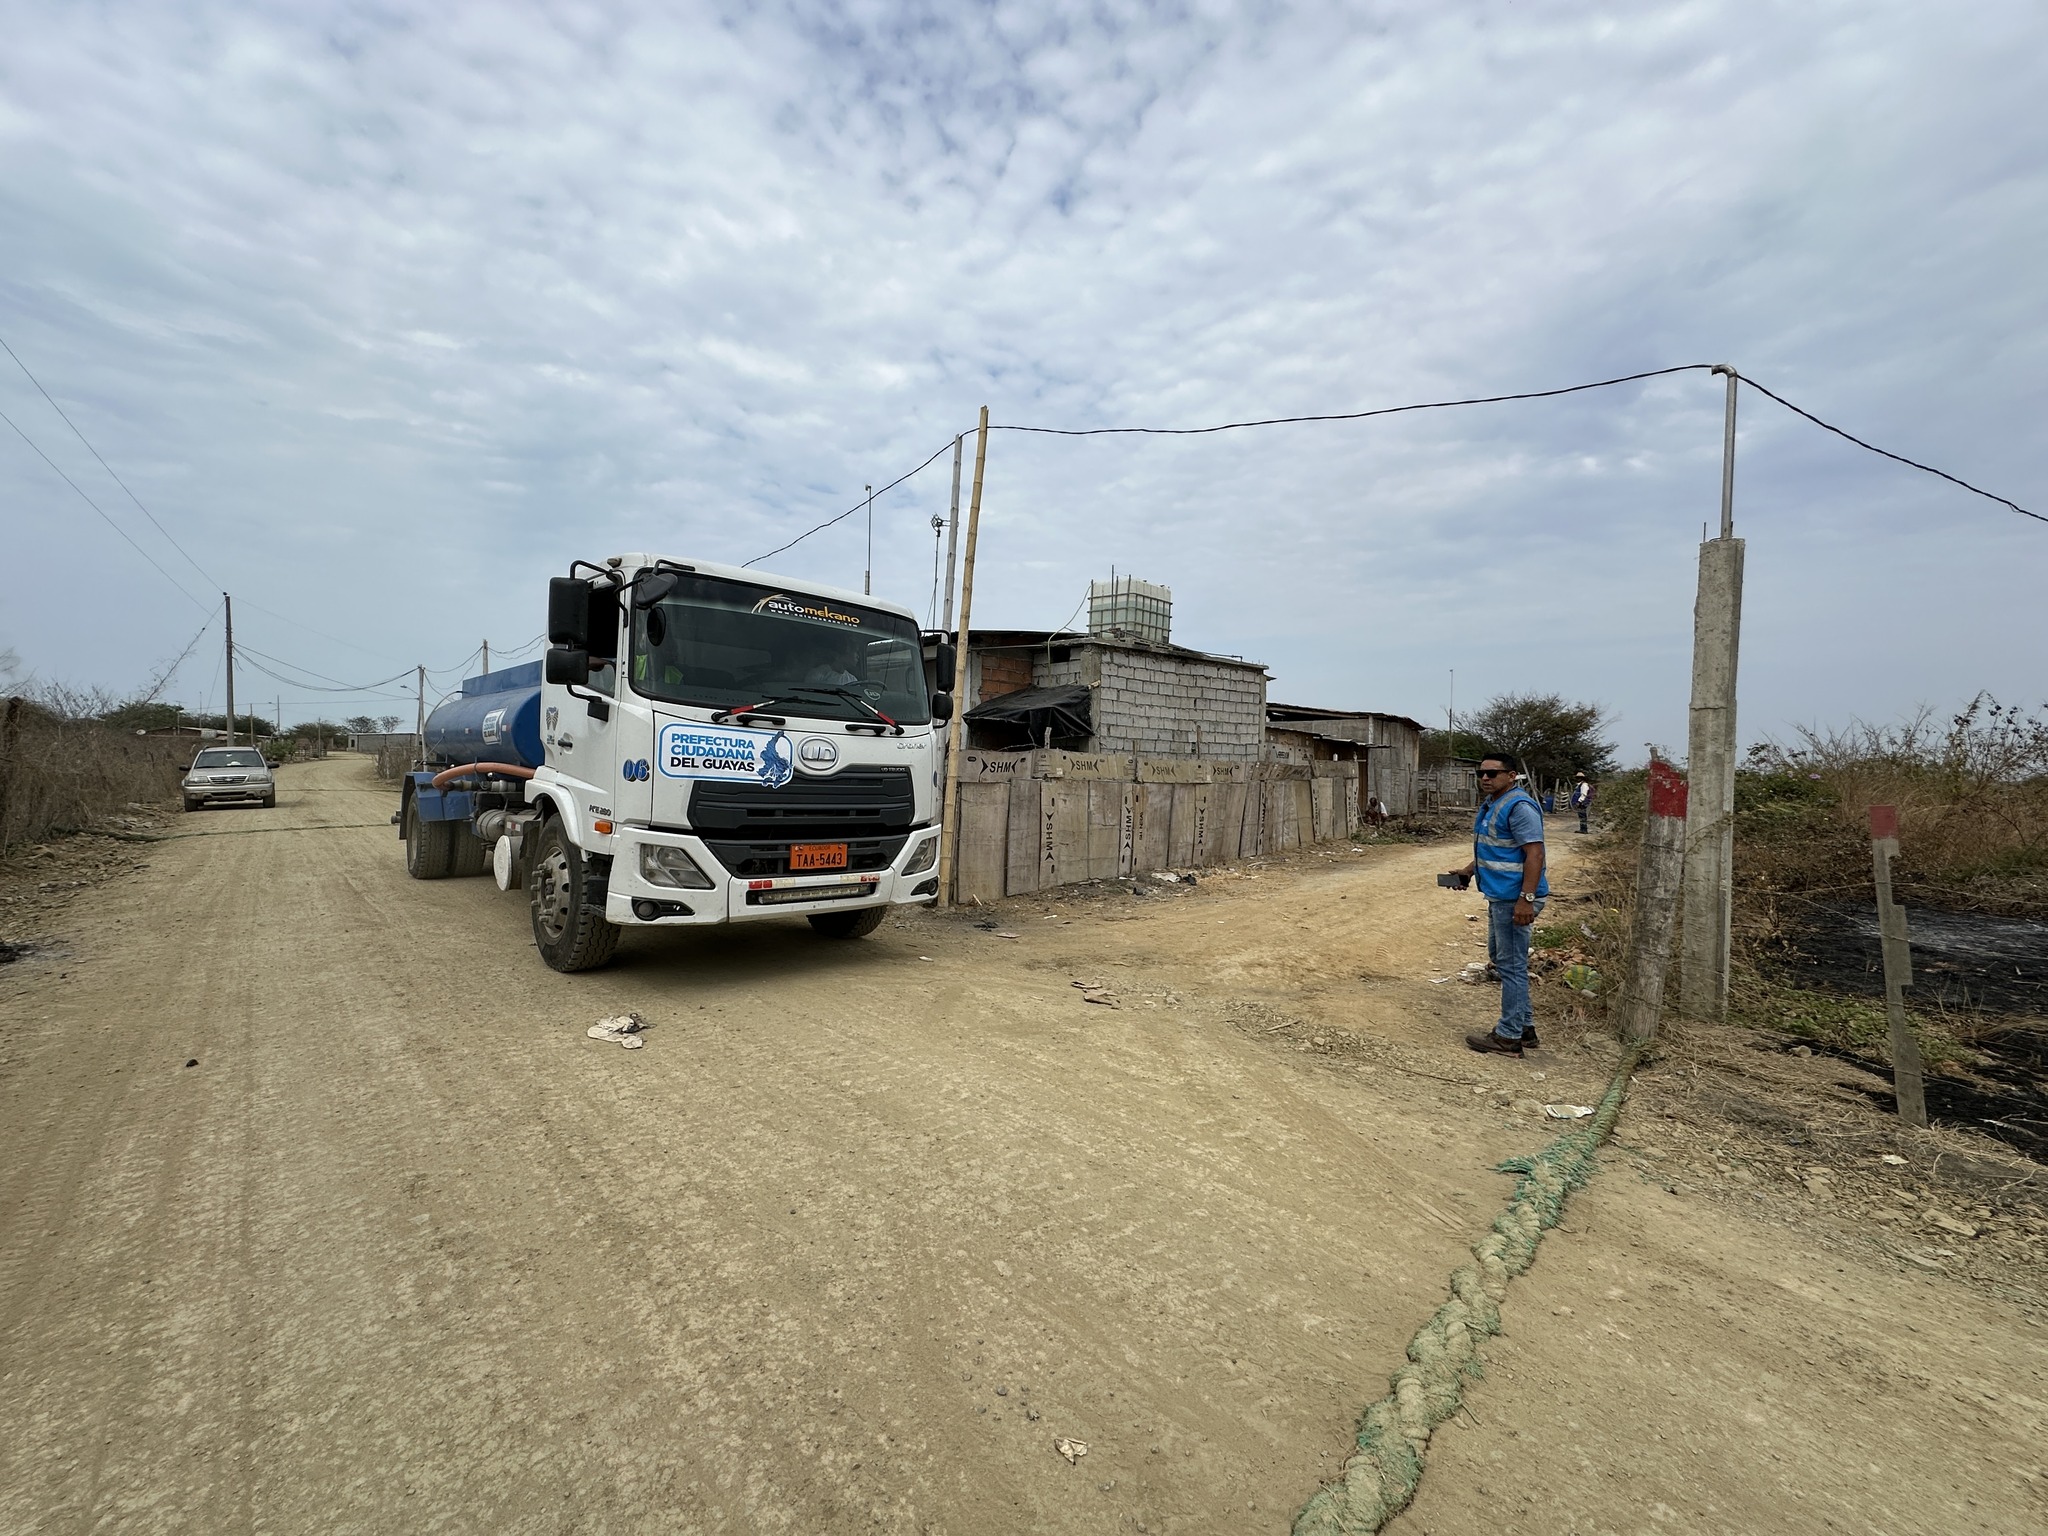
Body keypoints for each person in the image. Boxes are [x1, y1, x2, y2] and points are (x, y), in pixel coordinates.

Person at [1445, 752, 1548, 1056]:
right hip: (1501, 896)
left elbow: (1535, 854)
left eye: (1492, 773)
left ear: (1512, 776)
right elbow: (1494, 850)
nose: (1485, 778)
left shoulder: (1519, 807)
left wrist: (1526, 900)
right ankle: (1524, 1029)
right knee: (1504, 960)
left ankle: (1508, 1037)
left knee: (1512, 966)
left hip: (1515, 898)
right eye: (1481, 774)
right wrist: (1468, 871)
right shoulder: (1493, 804)